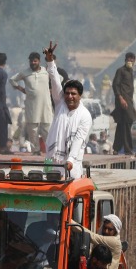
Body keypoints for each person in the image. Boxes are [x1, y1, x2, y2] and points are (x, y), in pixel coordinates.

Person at [43, 43, 92, 180]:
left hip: (72, 165)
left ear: (80, 95)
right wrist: (50, 60)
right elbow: (54, 80)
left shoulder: (85, 115)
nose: (70, 96)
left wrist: (70, 160)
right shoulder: (60, 104)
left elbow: (78, 140)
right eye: (67, 93)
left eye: (73, 94)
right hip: (53, 161)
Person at [112, 52, 136, 156]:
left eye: (132, 60)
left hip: (129, 101)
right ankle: (128, 149)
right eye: (128, 60)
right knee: (128, 122)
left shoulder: (131, 71)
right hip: (122, 101)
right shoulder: (120, 71)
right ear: (125, 60)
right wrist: (121, 98)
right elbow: (115, 85)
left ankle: (116, 148)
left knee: (122, 124)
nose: (130, 62)